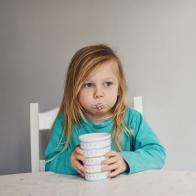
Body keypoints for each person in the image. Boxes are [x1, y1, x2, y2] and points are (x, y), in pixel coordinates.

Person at [45, 44, 166, 178]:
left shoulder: (132, 119)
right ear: (74, 90)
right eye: (88, 85)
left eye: (107, 84)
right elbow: (49, 163)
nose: (98, 93)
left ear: (119, 88)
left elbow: (157, 154)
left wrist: (125, 161)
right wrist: (69, 162)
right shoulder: (66, 122)